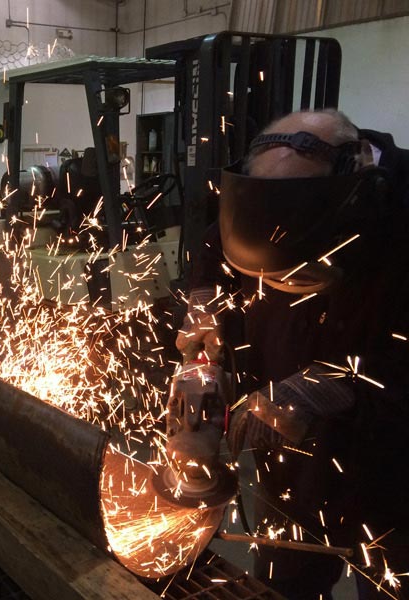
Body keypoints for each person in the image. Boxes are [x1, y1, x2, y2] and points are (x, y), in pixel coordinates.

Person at [177, 109, 409, 599]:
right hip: (288, 446)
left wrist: (341, 385)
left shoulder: (396, 206)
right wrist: (204, 305)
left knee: (390, 578)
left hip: (394, 455)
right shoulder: (256, 192)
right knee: (285, 579)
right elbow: (216, 253)